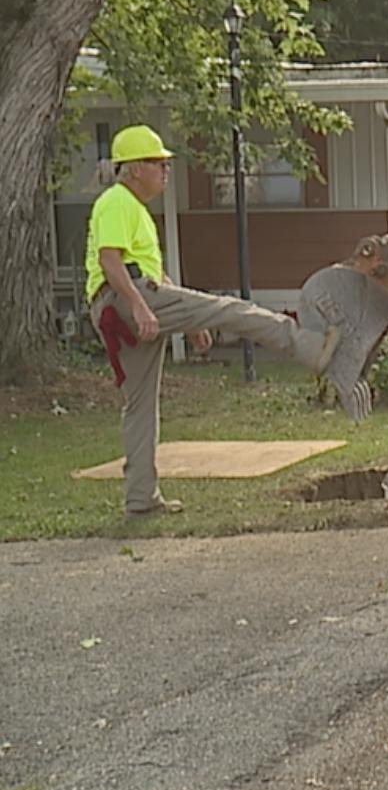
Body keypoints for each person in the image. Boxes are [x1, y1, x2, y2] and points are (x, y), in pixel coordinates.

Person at [85, 124, 339, 518]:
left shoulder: (131, 207)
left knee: (139, 406)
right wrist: (139, 306)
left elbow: (153, 274)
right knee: (228, 309)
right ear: (133, 169)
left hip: (119, 306)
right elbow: (111, 261)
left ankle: (140, 500)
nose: (166, 171)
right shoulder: (117, 201)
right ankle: (311, 348)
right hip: (124, 299)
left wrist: (187, 320)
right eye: (158, 163)